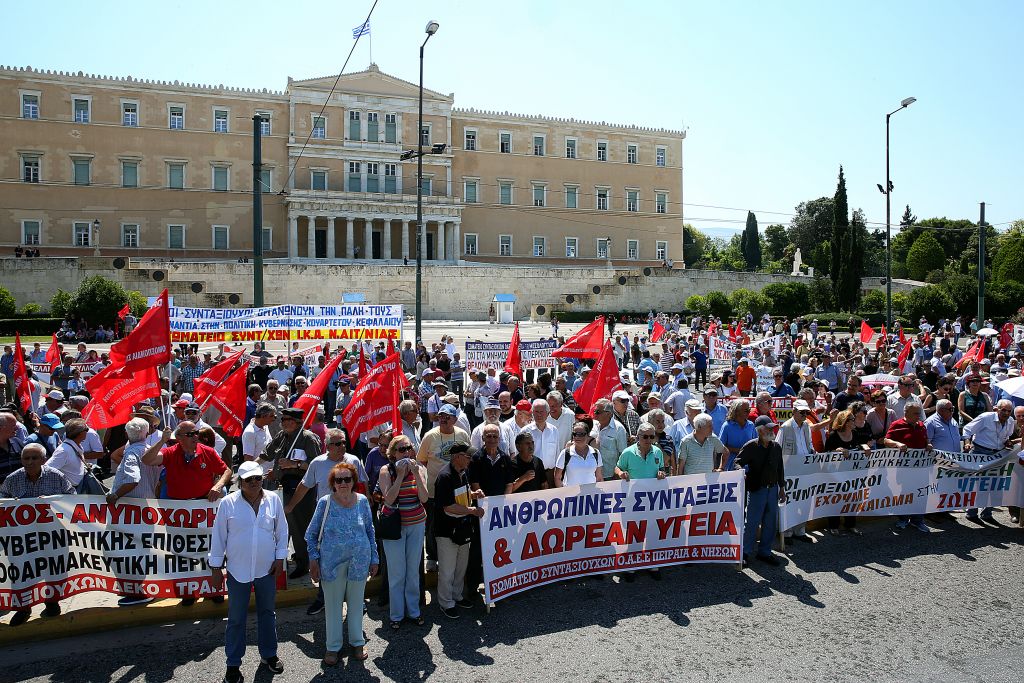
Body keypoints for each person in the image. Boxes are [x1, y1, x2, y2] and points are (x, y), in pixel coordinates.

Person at [209, 461, 288, 682]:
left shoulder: (273, 499)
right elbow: (218, 536)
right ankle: (233, 664)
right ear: (240, 482)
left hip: (266, 569)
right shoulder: (228, 503)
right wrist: (215, 567)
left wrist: (280, 557)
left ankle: (269, 655)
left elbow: (282, 530)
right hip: (237, 569)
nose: (254, 483)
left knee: (267, 613)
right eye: (249, 479)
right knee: (236, 618)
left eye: (257, 478)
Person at [142, 422, 232, 604]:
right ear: (180, 438)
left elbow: (226, 471)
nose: (195, 437)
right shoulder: (170, 452)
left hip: (203, 509)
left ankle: (214, 589)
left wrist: (218, 485)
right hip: (180, 511)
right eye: (190, 434)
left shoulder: (207, 451)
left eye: (196, 433)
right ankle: (188, 591)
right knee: (183, 552)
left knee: (209, 550)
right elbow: (147, 460)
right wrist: (161, 441)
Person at [284, 428, 368, 614]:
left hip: (352, 521)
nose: (342, 446)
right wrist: (290, 506)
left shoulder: (353, 460)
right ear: (327, 446)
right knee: (326, 562)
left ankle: (356, 600)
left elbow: (363, 484)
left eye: (344, 442)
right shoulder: (318, 464)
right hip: (327, 522)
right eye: (337, 443)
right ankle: (324, 599)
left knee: (353, 560)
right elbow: (305, 486)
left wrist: (367, 507)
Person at [305, 461, 378, 666]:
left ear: (354, 481)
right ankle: (333, 646)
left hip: (359, 561)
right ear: (333, 483)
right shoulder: (325, 503)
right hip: (331, 564)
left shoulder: (363, 501)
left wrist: (374, 557)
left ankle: (357, 642)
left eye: (347, 479)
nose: (343, 483)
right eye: (339, 480)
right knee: (333, 607)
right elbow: (310, 534)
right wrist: (313, 560)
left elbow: (370, 531)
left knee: (356, 605)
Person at [0, 443, 73, 625]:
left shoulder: (57, 477)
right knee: (22, 572)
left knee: (52, 568)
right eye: (26, 458)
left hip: (51, 535)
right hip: (23, 537)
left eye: (34, 458)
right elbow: (2, 500)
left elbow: (72, 498)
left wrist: (52, 502)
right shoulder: (12, 479)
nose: (30, 462)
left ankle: (51, 602)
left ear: (43, 459)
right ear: (21, 460)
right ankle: (23, 609)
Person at [260, 407, 322, 579]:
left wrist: (294, 465)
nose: (285, 423)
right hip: (282, 487)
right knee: (284, 526)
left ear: (298, 422)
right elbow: (267, 454)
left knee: (300, 527)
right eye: (283, 420)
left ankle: (304, 563)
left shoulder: (308, 439)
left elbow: (316, 466)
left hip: (302, 490)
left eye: (290, 420)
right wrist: (252, 467)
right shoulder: (282, 436)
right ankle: (286, 558)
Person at [377, 436, 428, 630]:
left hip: (416, 523)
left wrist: (415, 473)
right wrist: (399, 476)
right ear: (393, 453)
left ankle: (413, 611)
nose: (405, 453)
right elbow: (388, 499)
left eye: (408, 448)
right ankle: (396, 614)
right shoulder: (386, 471)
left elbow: (423, 498)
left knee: (413, 571)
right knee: (397, 573)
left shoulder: (419, 469)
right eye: (401, 449)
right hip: (394, 527)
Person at [433, 442, 484, 618]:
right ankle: (446, 602)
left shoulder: (464, 473)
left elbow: (461, 495)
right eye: (467, 456)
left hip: (462, 528)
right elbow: (448, 506)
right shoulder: (445, 476)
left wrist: (474, 495)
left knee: (461, 567)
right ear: (457, 457)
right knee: (447, 569)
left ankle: (457, 595)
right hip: (447, 530)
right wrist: (472, 510)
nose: (471, 459)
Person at [417, 403, 470, 572]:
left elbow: (468, 457)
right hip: (434, 489)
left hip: (458, 489)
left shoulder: (462, 435)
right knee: (433, 525)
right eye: (440, 417)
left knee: (456, 520)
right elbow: (422, 460)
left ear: (455, 419)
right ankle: (432, 556)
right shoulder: (429, 436)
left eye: (447, 417)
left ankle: (454, 553)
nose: (444, 420)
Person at [737, 416, 786, 567]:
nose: (772, 430)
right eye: (768, 428)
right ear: (760, 430)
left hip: (773, 490)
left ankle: (764, 552)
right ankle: (744, 553)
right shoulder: (751, 446)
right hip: (757, 490)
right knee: (751, 522)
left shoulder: (776, 447)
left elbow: (780, 468)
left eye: (772, 428)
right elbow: (737, 462)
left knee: (770, 523)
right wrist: (741, 472)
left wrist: (782, 488)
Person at [962, 400, 1016, 523]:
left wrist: (1007, 442)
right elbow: (967, 429)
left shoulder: (1011, 421)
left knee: (993, 484)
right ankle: (971, 512)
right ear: (997, 409)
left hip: (998, 455)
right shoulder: (985, 417)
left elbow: (1007, 436)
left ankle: (987, 513)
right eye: (1003, 410)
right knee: (976, 483)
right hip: (980, 452)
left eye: (1009, 411)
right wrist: (967, 442)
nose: (1006, 413)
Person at [885, 403, 932, 532]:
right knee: (905, 493)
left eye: (919, 413)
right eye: (916, 413)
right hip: (904, 468)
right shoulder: (897, 425)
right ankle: (903, 519)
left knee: (921, 493)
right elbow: (886, 441)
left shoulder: (921, 425)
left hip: (921, 468)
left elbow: (926, 439)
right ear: (906, 413)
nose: (919, 416)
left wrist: (928, 444)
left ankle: (918, 520)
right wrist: (897, 444)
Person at [822, 410, 870, 535]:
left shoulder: (855, 433)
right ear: (844, 422)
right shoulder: (833, 436)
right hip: (836, 475)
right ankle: (833, 526)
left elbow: (859, 446)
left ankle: (850, 524)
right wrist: (836, 450)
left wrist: (864, 446)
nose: (855, 421)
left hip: (852, 474)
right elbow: (826, 455)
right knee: (836, 500)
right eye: (852, 419)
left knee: (852, 499)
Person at [555, 421, 604, 487]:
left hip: (591, 494)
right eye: (575, 434)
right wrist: (563, 494)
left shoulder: (596, 453)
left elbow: (599, 477)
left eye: (581, 434)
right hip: (571, 495)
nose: (577, 437)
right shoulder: (565, 453)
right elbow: (557, 477)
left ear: (588, 434)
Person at [590, 398, 628, 480]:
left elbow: (623, 454)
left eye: (598, 412)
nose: (595, 414)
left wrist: (618, 473)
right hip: (592, 474)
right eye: (594, 411)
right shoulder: (592, 425)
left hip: (610, 475)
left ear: (609, 414)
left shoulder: (619, 429)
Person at [719, 399, 756, 471]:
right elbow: (720, 447)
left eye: (749, 409)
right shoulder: (727, 426)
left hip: (749, 466)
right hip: (731, 466)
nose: (749, 412)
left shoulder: (751, 425)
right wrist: (738, 450)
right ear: (736, 411)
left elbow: (756, 444)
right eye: (746, 410)